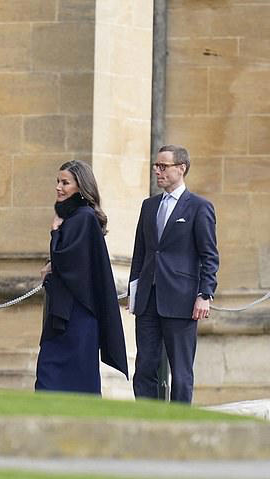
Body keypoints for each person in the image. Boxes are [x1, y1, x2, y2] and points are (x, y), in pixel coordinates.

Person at [129, 145, 219, 403]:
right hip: (148, 300)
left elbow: (209, 256)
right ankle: (148, 419)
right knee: (145, 365)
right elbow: (141, 254)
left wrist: (205, 294)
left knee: (180, 370)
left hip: (182, 301)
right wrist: (135, 293)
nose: (157, 171)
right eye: (156, 166)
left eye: (163, 166)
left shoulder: (200, 207)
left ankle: (179, 423)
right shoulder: (148, 206)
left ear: (182, 168)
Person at [36, 160, 128, 394]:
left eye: (65, 183)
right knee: (49, 372)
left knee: (71, 376)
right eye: (58, 182)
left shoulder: (83, 217)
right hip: (66, 311)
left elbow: (68, 260)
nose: (59, 187)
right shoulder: (76, 216)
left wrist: (55, 232)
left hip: (77, 313)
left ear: (81, 186)